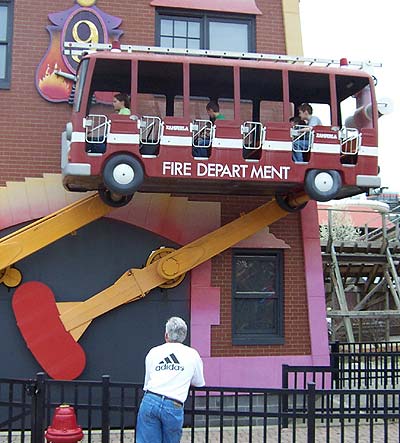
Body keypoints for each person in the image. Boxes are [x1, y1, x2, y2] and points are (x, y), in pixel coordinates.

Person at [136, 317, 205, 443]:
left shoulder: (154, 352)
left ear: (166, 335)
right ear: (184, 335)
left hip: (151, 399)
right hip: (173, 403)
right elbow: (199, 382)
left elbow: (147, 383)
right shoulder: (192, 354)